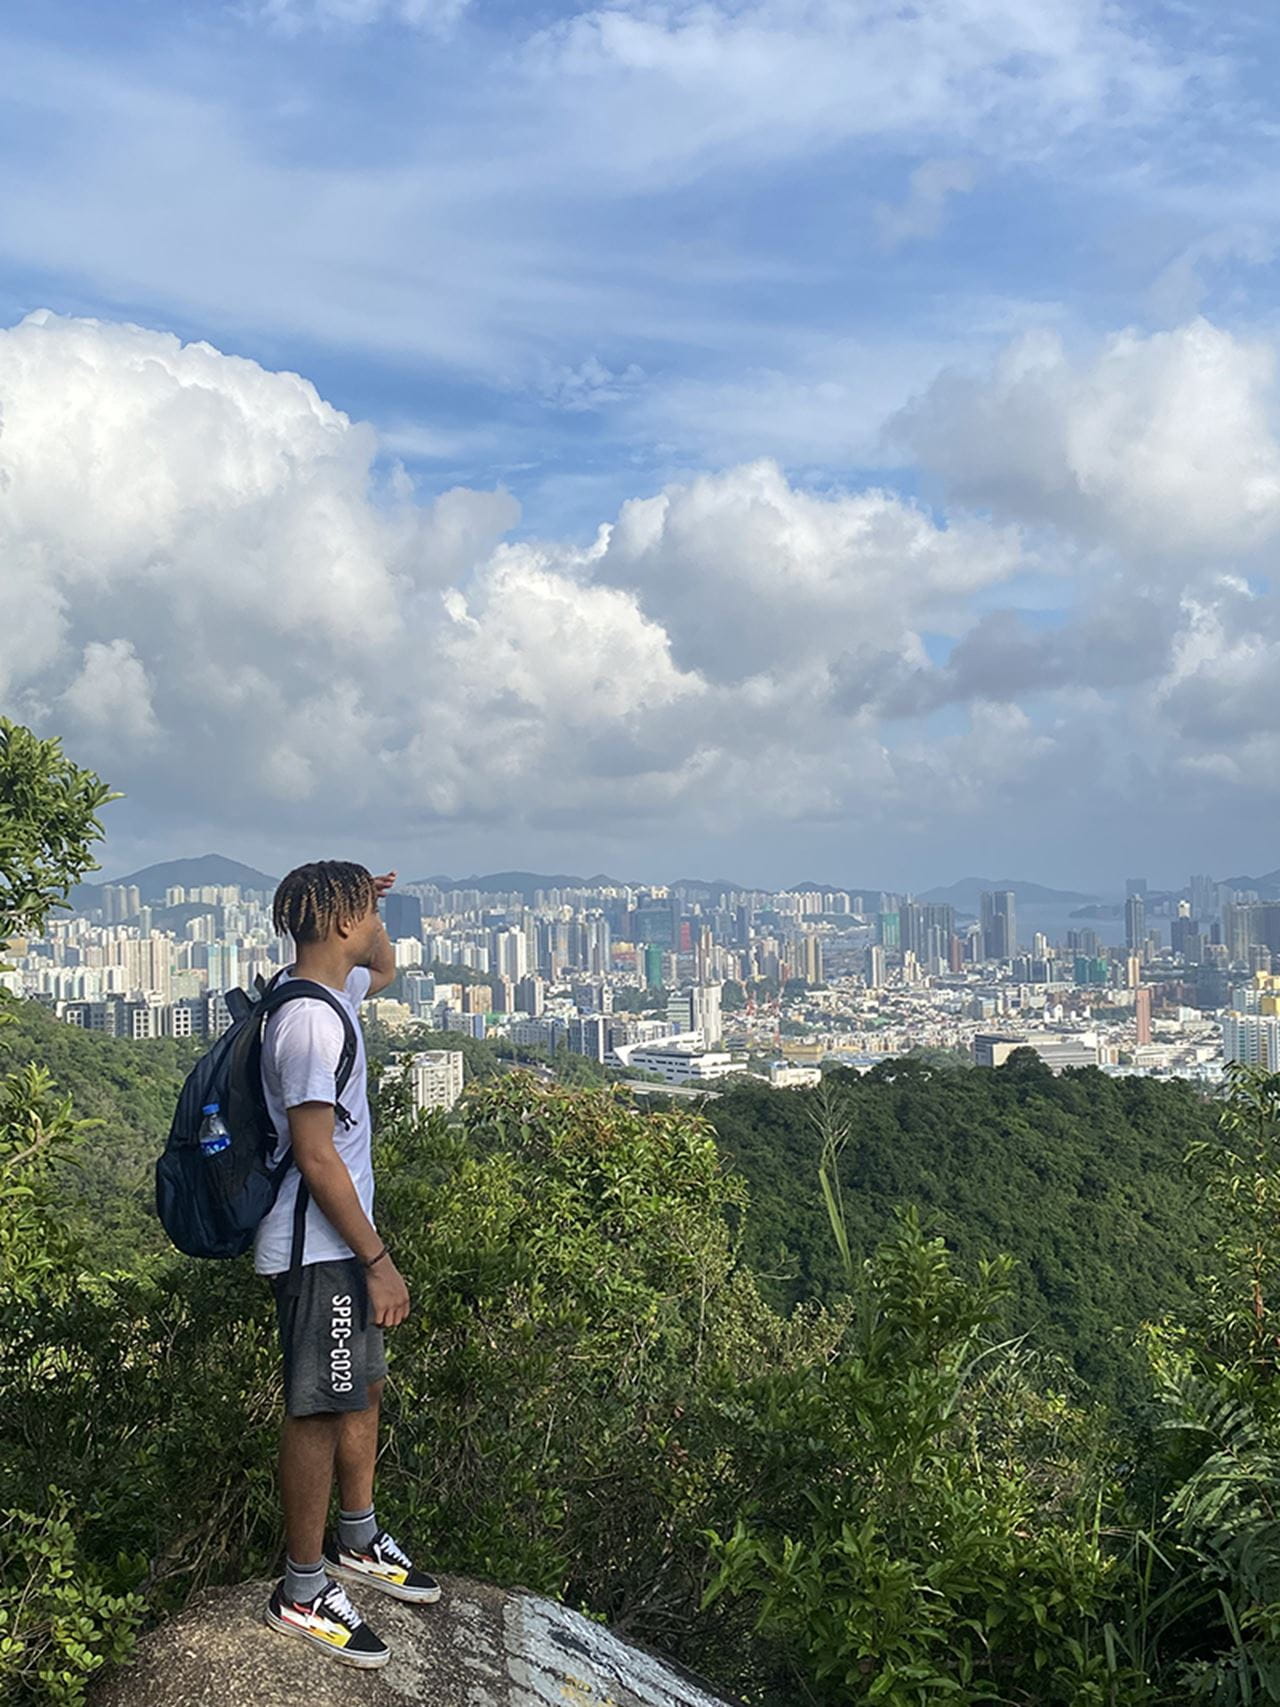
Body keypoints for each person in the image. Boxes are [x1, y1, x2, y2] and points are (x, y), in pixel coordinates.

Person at [257, 859, 439, 1669]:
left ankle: (357, 1540)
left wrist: (369, 904)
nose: (379, 929)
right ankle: (301, 1589)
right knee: (319, 1408)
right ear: (339, 924)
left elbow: (384, 968)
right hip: (322, 1249)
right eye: (368, 915)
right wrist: (379, 1258)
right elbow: (315, 1153)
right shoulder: (309, 1023)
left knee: (362, 1387)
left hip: (341, 1245)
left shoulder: (332, 994)